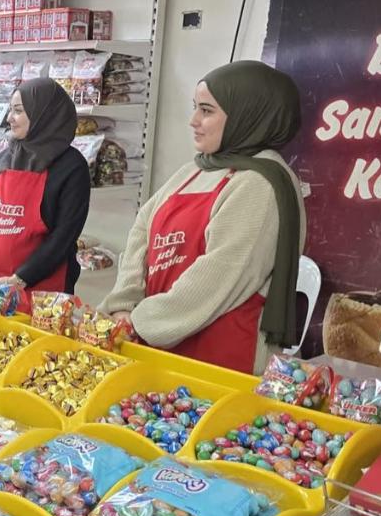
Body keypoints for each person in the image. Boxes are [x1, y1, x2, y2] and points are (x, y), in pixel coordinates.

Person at [99, 60, 306, 374]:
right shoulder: (198, 169)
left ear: (247, 114)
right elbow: (143, 227)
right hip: (159, 340)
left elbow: (219, 275)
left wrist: (140, 321)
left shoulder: (260, 184)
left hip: (219, 357)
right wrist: (124, 303)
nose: (193, 121)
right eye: (195, 108)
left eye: (207, 111)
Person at [0, 77, 91, 312]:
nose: (9, 118)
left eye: (18, 111)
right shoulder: (5, 158)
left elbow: (64, 236)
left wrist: (20, 278)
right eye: (10, 110)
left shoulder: (72, 167)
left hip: (43, 291)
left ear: (44, 113)